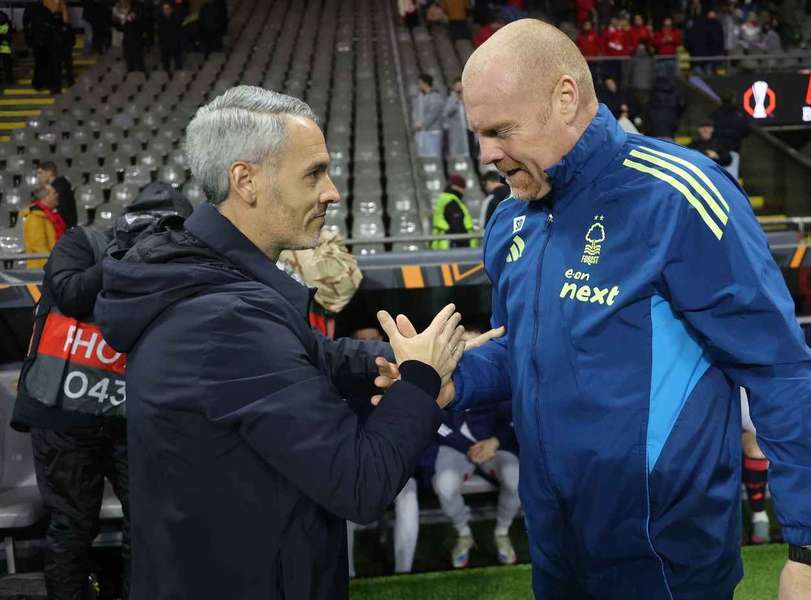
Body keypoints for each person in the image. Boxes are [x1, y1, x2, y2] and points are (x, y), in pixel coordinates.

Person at [425, 19, 811, 599]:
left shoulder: (679, 195)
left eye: (500, 130)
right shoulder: (509, 219)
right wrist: (453, 377)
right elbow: (520, 346)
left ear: (565, 98)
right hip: (555, 557)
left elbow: (779, 371)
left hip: (667, 562)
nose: (487, 154)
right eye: (478, 134)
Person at [94, 85, 474, 600]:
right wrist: (422, 380)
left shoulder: (212, 283)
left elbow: (313, 357)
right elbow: (360, 483)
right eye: (314, 172)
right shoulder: (225, 316)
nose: (332, 191)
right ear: (245, 181)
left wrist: (394, 358)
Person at [11, 184, 193, 600]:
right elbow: (71, 294)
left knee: (147, 526)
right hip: (63, 415)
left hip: (128, 418)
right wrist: (128, 256)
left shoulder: (175, 268)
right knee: (72, 526)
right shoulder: (84, 242)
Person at [345, 324, 422, 576]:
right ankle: (349, 576)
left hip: (396, 463)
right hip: (358, 464)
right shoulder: (346, 380)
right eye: (362, 340)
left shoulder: (401, 375)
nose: (368, 345)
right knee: (341, 505)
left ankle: (404, 571)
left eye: (372, 339)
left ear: (380, 339)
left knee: (408, 495)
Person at [434, 399, 520, 568]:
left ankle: (502, 532)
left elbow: (515, 414)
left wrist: (495, 441)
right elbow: (434, 421)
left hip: (493, 444)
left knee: (515, 477)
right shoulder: (439, 375)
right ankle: (463, 533)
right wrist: (468, 447)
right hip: (455, 444)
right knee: (444, 483)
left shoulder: (492, 374)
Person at [739, 388, 774, 544]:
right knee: (755, 449)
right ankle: (758, 516)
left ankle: (760, 516)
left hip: (768, 428)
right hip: (731, 429)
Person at [21, 184, 66, 269]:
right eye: (54, 193)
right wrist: (55, 265)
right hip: (41, 270)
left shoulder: (49, 216)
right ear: (46, 197)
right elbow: (39, 247)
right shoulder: (35, 217)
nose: (57, 195)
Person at [431, 174, 477, 249]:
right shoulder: (451, 202)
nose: (463, 191)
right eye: (463, 188)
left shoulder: (445, 199)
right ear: (457, 187)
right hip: (453, 247)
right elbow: (457, 227)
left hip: (445, 245)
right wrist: (466, 246)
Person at [412, 74, 445, 159]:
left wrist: (422, 123)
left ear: (425, 83)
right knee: (423, 158)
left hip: (433, 132)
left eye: (420, 83)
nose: (418, 85)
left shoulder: (435, 96)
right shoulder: (419, 97)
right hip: (421, 132)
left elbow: (433, 114)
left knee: (433, 156)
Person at [37, 160, 77, 229]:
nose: (38, 176)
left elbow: (62, 211)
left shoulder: (59, 187)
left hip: (62, 228)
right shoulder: (60, 185)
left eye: (40, 173)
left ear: (50, 172)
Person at [710, 91, 750, 157]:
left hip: (717, 149)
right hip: (733, 148)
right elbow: (746, 132)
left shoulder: (715, 114)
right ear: (733, 100)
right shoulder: (740, 114)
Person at [645, 73, 684, 140]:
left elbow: (647, 114)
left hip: (654, 132)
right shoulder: (674, 94)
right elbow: (680, 110)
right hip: (669, 132)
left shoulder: (652, 95)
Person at [686, 9, 725, 75]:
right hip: (706, 55)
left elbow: (687, 42)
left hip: (700, 56)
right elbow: (712, 40)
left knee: (701, 77)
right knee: (709, 76)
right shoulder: (707, 26)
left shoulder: (692, 27)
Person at [113, 0, 144, 72]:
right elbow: (120, 27)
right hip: (127, 39)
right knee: (129, 63)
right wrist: (117, 21)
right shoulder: (118, 10)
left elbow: (139, 21)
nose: (123, 2)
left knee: (139, 63)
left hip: (137, 38)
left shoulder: (137, 7)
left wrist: (126, 17)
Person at [444, 77, 469, 158]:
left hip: (468, 129)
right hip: (457, 132)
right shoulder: (451, 99)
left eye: (460, 85)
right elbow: (446, 112)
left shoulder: (467, 97)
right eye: (457, 86)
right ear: (454, 87)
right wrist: (456, 101)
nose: (459, 87)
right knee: (457, 154)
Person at [158, 1, 184, 74]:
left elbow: (179, 31)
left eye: (167, 8)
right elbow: (160, 33)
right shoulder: (160, 20)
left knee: (178, 63)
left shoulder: (176, 18)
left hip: (175, 43)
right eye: (164, 9)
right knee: (166, 65)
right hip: (165, 45)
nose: (166, 10)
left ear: (171, 9)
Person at [0, 10, 13, 87]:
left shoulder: (6, 23)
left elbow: (8, 35)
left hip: (5, 46)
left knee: (7, 64)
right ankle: (9, 79)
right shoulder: (6, 21)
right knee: (7, 64)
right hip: (5, 46)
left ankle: (9, 79)